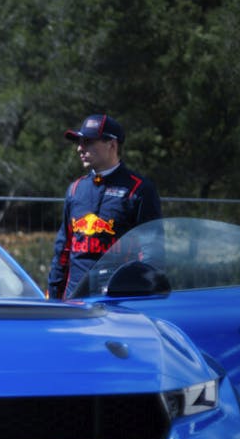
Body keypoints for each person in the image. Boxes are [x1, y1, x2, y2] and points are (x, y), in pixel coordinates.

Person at [47, 114, 161, 300]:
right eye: (79, 142)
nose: (79, 148)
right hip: (75, 300)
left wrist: (145, 295)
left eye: (88, 142)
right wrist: (53, 295)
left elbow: (152, 253)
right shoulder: (75, 189)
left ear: (112, 145)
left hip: (119, 300)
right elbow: (63, 249)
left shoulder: (139, 189)